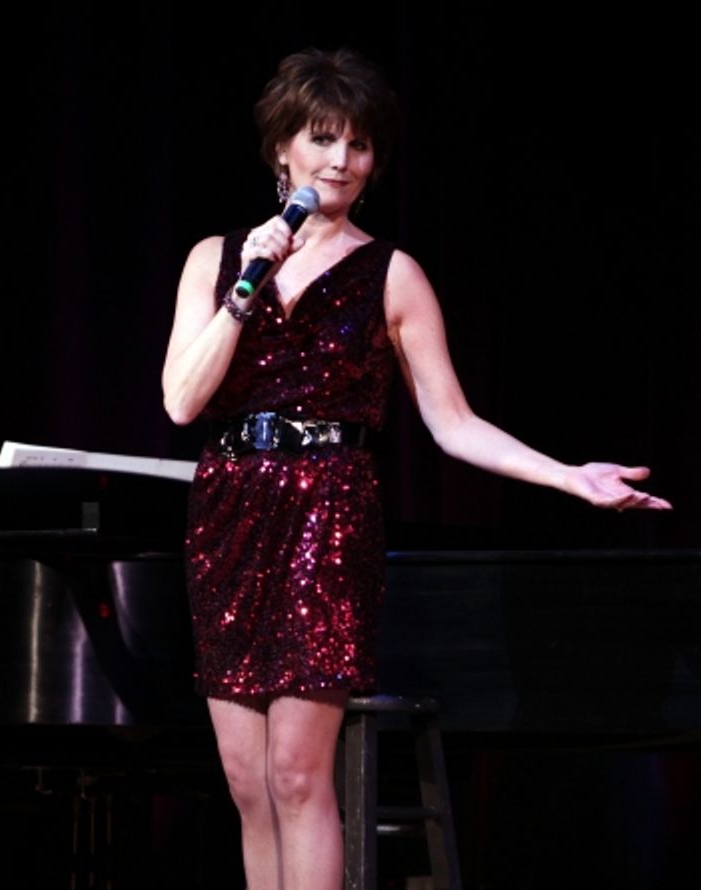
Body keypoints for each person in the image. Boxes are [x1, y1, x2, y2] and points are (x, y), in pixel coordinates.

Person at [160, 48, 671, 890]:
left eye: (360, 147)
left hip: (326, 513)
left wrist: (569, 475)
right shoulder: (216, 259)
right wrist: (250, 282)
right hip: (228, 511)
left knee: (296, 775)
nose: (341, 162)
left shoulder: (391, 274)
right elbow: (182, 402)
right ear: (282, 148)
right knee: (248, 784)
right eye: (324, 140)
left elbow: (454, 423)